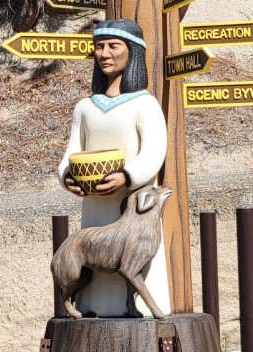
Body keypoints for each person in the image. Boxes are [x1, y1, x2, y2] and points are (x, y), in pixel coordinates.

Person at [58, 19, 170, 317]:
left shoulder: (145, 105)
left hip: (133, 207)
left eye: (113, 46)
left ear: (131, 52)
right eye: (99, 47)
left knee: (137, 260)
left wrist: (127, 176)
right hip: (95, 204)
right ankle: (90, 307)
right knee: (91, 253)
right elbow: (72, 151)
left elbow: (154, 151)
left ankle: (142, 307)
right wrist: (67, 176)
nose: (104, 54)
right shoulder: (85, 107)